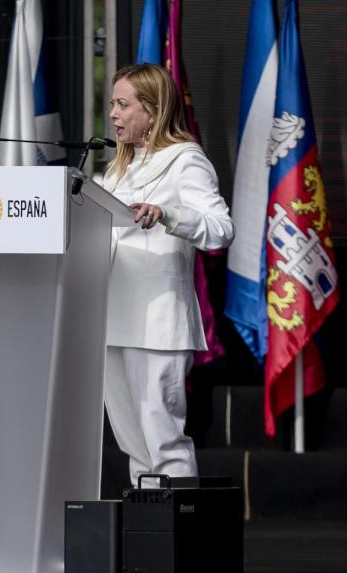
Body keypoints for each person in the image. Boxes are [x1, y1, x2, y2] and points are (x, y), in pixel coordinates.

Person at [101, 64, 233, 487]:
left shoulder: (185, 161)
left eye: (124, 104)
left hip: (157, 322)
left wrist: (168, 215)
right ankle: (147, 544)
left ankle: (179, 544)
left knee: (162, 441)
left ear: (154, 112)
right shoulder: (115, 170)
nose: (114, 114)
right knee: (133, 445)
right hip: (111, 320)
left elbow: (220, 230)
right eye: (111, 104)